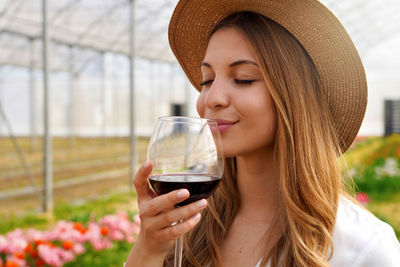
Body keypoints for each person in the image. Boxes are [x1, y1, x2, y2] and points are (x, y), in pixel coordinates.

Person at [125, 0, 400, 266]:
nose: (211, 98)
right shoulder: (188, 225)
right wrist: (148, 250)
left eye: (243, 78)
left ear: (295, 98)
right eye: (207, 80)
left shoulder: (364, 249)